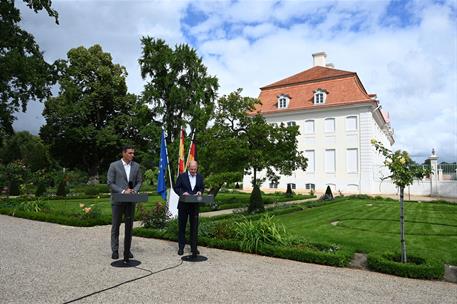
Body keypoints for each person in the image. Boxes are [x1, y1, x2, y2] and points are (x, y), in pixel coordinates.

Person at [107, 145, 142, 262]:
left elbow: (139, 182)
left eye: (133, 153)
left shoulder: (136, 166)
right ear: (123, 153)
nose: (132, 155)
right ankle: (115, 250)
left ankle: (127, 250)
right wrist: (123, 191)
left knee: (129, 226)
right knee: (116, 226)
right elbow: (110, 183)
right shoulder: (114, 165)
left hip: (130, 201)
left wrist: (134, 191)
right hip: (117, 200)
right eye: (130, 153)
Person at [174, 160, 204, 257]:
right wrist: (183, 193)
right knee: (182, 227)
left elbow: (201, 187)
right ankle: (181, 248)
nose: (193, 171)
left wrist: (200, 192)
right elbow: (176, 188)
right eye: (191, 169)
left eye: (195, 169)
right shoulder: (182, 176)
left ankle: (194, 247)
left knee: (194, 227)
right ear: (188, 167)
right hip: (183, 205)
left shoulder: (200, 176)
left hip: (194, 206)